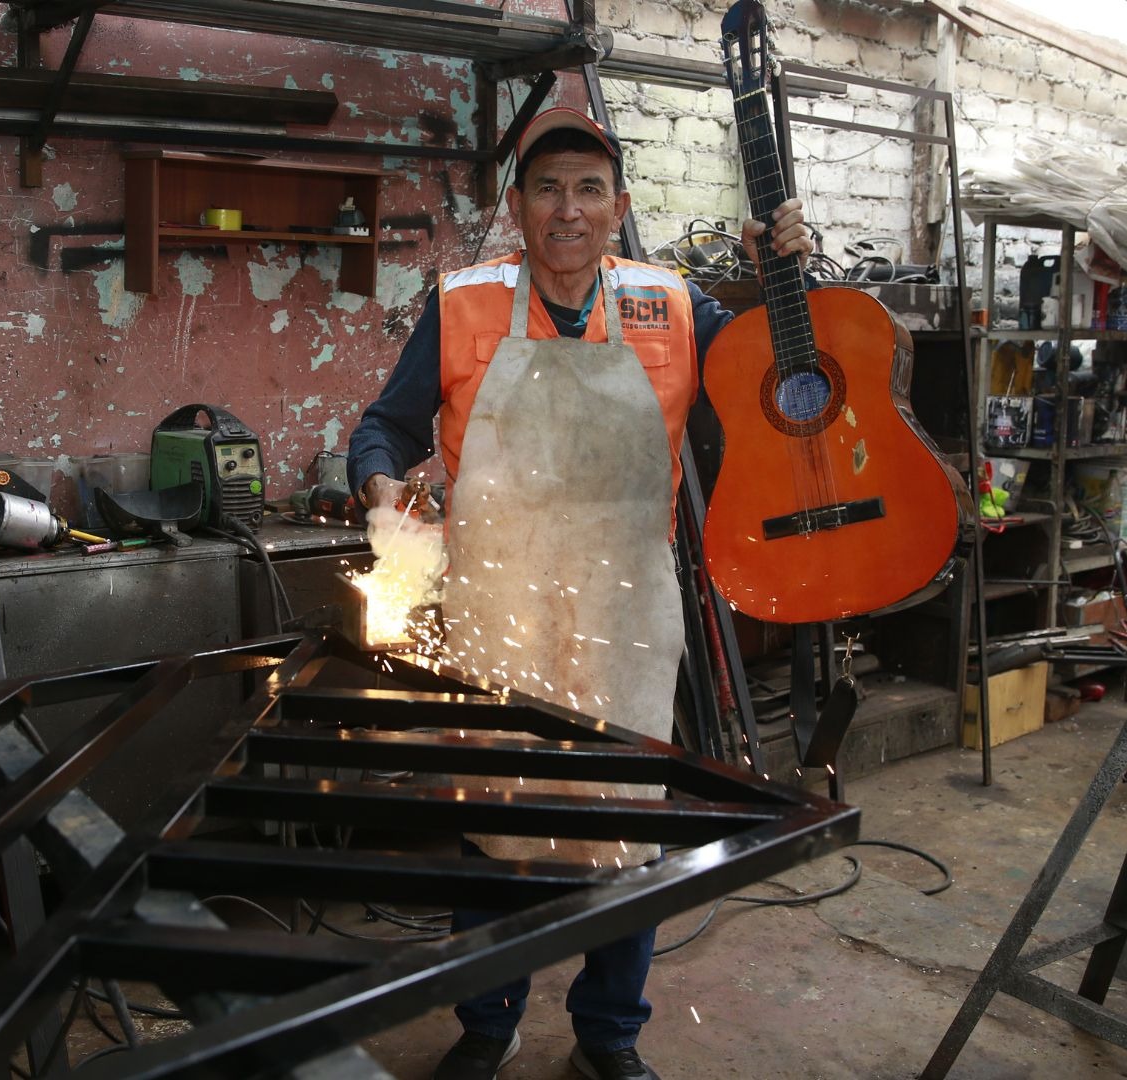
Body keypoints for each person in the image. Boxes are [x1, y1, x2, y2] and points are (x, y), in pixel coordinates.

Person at [345, 106, 814, 1080]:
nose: (568, 209)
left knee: (625, 825)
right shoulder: (465, 303)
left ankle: (609, 1036)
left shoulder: (675, 306)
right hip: (496, 607)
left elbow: (784, 385)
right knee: (493, 817)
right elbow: (381, 428)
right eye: (548, 188)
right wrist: (383, 482)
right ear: (517, 207)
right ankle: (488, 1021)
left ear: (619, 206)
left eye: (589, 189)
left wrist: (786, 279)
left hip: (622, 615)